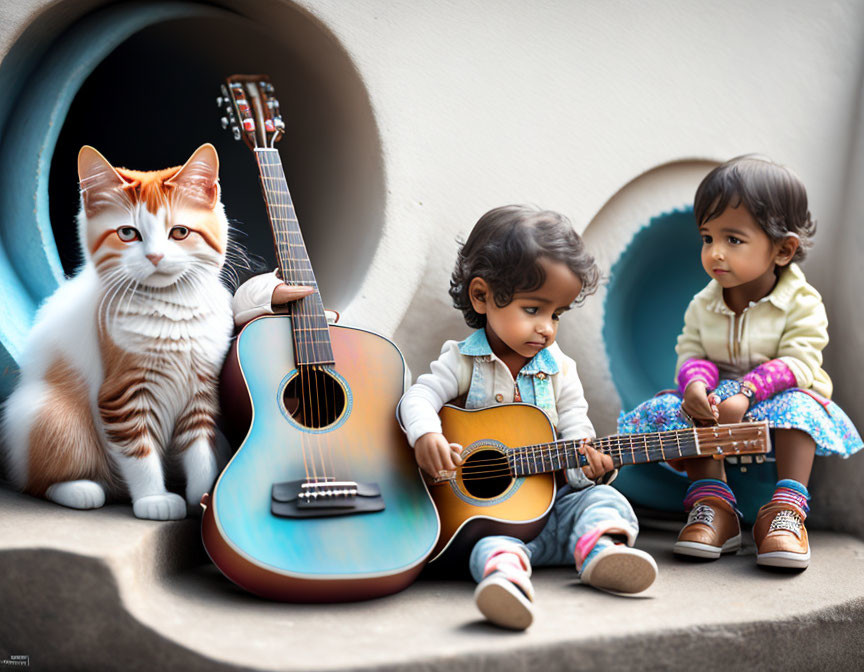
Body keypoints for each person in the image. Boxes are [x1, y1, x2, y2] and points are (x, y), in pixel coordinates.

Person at [398, 205, 657, 631]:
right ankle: (507, 578)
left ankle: (600, 553)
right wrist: (426, 434)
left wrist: (591, 470)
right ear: (481, 296)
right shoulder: (463, 360)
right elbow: (419, 397)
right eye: (534, 310)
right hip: (486, 520)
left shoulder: (561, 370)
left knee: (603, 501)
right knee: (490, 544)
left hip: (553, 512)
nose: (548, 328)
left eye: (556, 314)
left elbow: (577, 432)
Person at [618, 156, 863, 570]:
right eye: (707, 237)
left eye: (733, 240)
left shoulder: (802, 303)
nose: (714, 253)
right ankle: (714, 506)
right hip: (723, 400)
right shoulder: (703, 303)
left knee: (800, 408)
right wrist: (696, 388)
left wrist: (748, 393)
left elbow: (800, 360)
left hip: (775, 398)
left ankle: (786, 511)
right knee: (679, 407)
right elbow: (693, 352)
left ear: (783, 249)